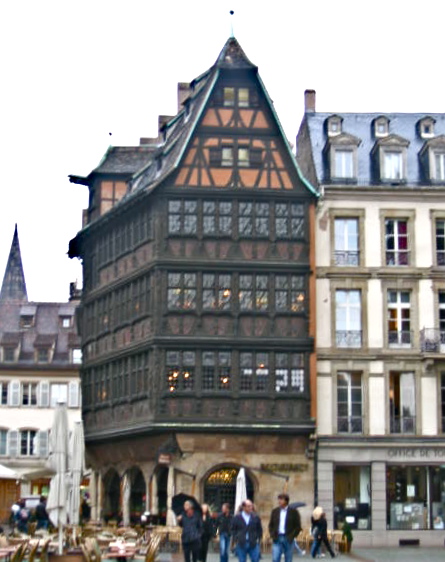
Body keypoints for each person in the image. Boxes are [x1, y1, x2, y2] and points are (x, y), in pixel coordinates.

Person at [268, 493, 303, 562]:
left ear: (286, 501)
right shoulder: (275, 511)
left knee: (288, 559)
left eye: (281, 500)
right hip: (277, 537)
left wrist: (293, 536)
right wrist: (272, 534)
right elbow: (271, 525)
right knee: (275, 558)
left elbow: (298, 526)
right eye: (279, 500)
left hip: (288, 537)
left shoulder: (294, 512)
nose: (279, 501)